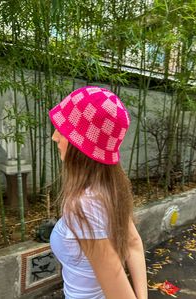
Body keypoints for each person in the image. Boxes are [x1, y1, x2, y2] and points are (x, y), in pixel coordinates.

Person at [49, 86, 148, 299]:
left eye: (63, 130)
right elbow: (133, 243)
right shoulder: (109, 187)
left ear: (82, 144)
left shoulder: (83, 204)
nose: (54, 136)